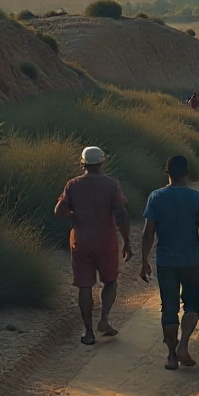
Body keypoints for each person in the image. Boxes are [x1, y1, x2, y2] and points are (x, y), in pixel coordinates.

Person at [140, 155, 199, 370]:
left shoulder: (156, 197)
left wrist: (144, 261)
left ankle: (171, 356)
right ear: (187, 172)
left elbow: (148, 233)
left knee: (169, 309)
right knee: (193, 305)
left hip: (165, 262)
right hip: (191, 261)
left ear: (167, 171)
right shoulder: (198, 199)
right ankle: (183, 344)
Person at [54, 146, 133, 346]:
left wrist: (74, 215)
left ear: (83, 163)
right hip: (106, 240)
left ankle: (88, 332)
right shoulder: (111, 185)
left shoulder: (73, 184)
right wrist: (127, 242)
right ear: (102, 162)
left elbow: (59, 211)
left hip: (81, 240)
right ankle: (104, 318)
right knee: (110, 281)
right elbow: (121, 214)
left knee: (84, 285)